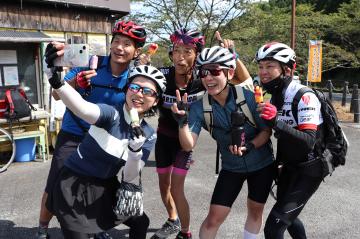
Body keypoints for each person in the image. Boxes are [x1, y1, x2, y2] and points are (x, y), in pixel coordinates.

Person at [36, 20, 147, 239]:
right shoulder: (90, 62)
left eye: (127, 44)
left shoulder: (134, 79)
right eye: (116, 41)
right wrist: (76, 82)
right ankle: (42, 228)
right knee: (56, 182)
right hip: (74, 132)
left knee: (100, 185)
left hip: (104, 138)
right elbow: (56, 94)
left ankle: (95, 228)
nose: (119, 48)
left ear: (136, 51)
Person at [45, 64, 166, 239]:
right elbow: (83, 108)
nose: (139, 94)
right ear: (126, 91)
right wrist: (59, 84)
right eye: (134, 87)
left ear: (155, 101)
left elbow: (130, 177)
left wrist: (135, 151)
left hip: (106, 186)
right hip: (73, 185)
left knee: (141, 222)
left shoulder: (148, 134)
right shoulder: (111, 114)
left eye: (147, 91)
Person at [171, 46, 274, 239]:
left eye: (215, 71)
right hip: (231, 168)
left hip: (262, 165)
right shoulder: (199, 107)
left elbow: (266, 131)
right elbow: (188, 145)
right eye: (203, 72)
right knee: (213, 219)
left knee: (255, 211)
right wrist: (182, 123)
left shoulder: (248, 97)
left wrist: (250, 145)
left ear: (230, 72)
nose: (208, 78)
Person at [255, 42, 324, 239]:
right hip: (289, 166)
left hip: (310, 168)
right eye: (261, 66)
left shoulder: (304, 96)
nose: (263, 72)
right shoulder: (277, 94)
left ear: (286, 70)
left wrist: (276, 121)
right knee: (290, 220)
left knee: (274, 227)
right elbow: (282, 136)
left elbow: (308, 141)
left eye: (269, 66)